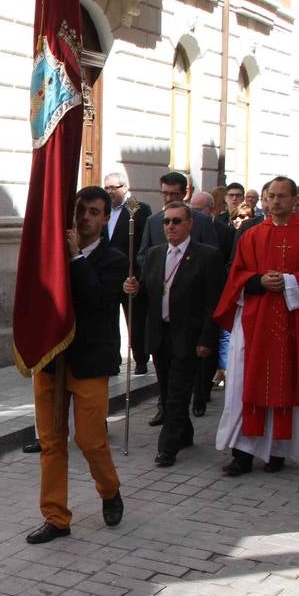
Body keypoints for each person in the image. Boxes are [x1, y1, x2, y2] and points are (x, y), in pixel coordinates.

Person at [213, 176, 299, 476]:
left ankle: (277, 452)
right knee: (243, 387)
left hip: (293, 323)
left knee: (287, 385)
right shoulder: (251, 234)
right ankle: (243, 453)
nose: (276, 202)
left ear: (295, 199)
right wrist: (258, 281)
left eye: (282, 196)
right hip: (254, 322)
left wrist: (289, 281)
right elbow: (236, 275)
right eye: (271, 196)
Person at [25, 186, 126, 544]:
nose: (85, 217)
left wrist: (75, 259)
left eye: (94, 212)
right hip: (52, 360)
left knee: (89, 439)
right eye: (80, 209)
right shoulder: (51, 254)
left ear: (104, 219)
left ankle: (110, 490)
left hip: (89, 361)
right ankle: (56, 517)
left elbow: (99, 299)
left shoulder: (114, 259)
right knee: (51, 442)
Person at [123, 201, 224, 466]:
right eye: (167, 221)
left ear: (189, 224)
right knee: (167, 391)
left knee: (179, 392)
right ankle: (184, 432)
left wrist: (207, 339)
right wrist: (134, 288)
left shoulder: (207, 256)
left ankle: (167, 447)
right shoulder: (156, 254)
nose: (171, 226)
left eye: (177, 221)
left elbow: (213, 303)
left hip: (188, 336)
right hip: (160, 334)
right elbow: (149, 291)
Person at [188, 190, 235, 415]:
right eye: (193, 210)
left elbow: (228, 264)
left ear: (210, 209)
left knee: (208, 348)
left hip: (211, 297)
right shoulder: (184, 228)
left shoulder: (225, 232)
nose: (195, 215)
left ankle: (202, 393)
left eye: (199, 210)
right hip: (187, 300)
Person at [102, 171, 152, 375]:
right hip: (109, 274)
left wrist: (140, 274)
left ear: (124, 188)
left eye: (113, 188)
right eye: (106, 188)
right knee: (109, 319)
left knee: (135, 319)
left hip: (131, 274)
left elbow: (145, 243)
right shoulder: (105, 211)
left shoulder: (138, 209)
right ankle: (112, 359)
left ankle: (140, 359)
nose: (109, 192)